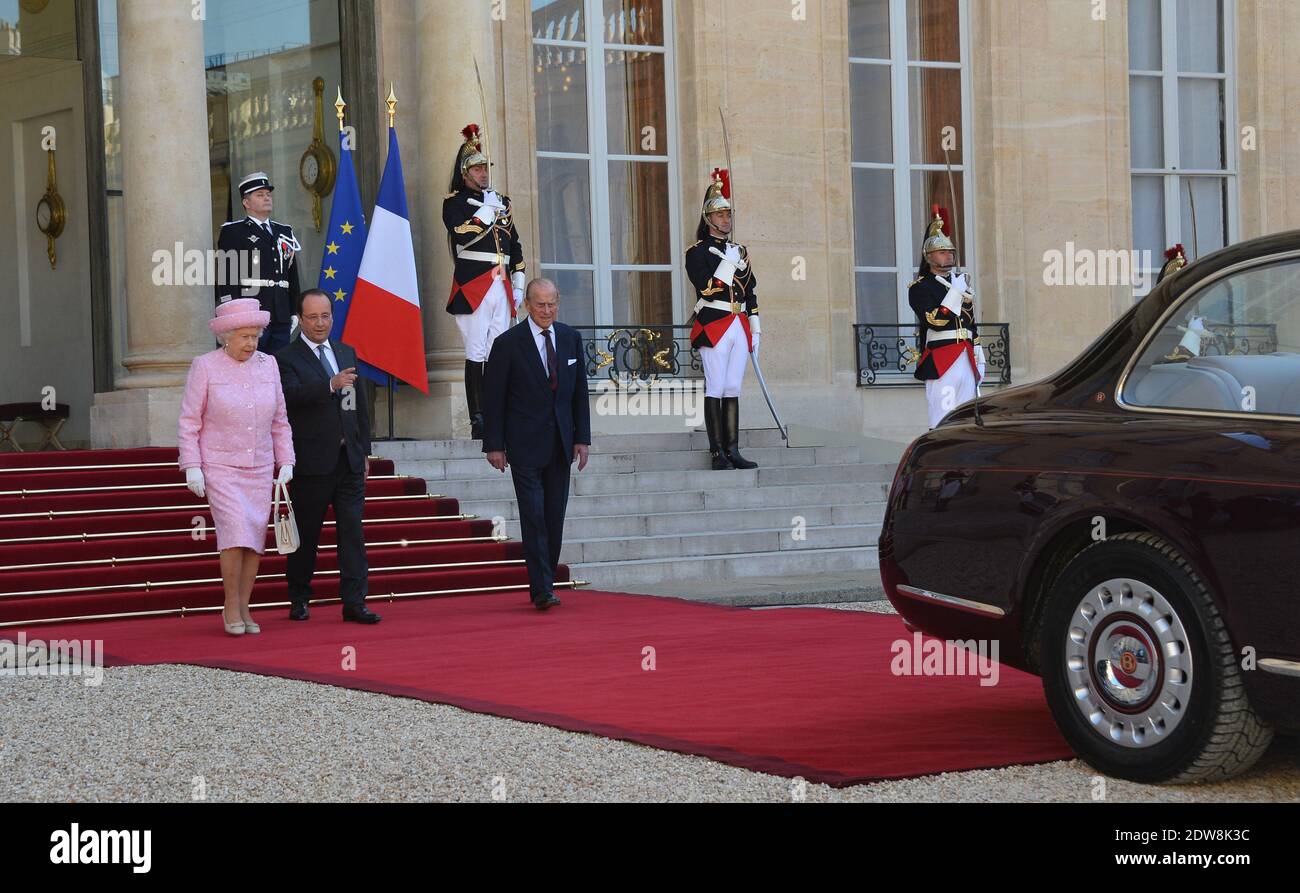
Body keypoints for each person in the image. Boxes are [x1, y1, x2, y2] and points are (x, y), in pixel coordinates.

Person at [178, 298, 295, 636]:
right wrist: (192, 466)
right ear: (225, 336)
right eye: (244, 336)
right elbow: (189, 421)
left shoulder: (268, 364)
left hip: (259, 464)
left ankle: (245, 604)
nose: (251, 343)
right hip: (220, 464)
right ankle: (230, 605)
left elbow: (280, 420)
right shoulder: (205, 366)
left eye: (255, 336)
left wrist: (286, 460)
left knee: (255, 536)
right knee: (234, 532)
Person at [481, 278, 590, 611]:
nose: (547, 311)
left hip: (561, 444)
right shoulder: (508, 343)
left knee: (554, 516)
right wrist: (494, 445)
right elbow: (493, 399)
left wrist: (582, 438)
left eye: (552, 303)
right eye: (540, 304)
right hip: (524, 445)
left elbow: (579, 395)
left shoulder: (571, 339)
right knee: (534, 516)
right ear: (527, 305)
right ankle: (541, 588)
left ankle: (547, 580)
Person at [274, 289, 380, 624]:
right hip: (311, 461)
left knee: (352, 533)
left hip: (347, 458)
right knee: (307, 534)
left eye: (326, 316)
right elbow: (289, 398)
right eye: (313, 317)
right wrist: (329, 384)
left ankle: (354, 601)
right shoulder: (285, 358)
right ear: (300, 320)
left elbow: (357, 406)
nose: (320, 323)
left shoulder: (345, 351)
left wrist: (363, 449)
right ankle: (300, 597)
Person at [443, 123, 527, 440]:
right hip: (473, 284)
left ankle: (497, 413)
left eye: (485, 167)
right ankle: (478, 418)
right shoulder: (454, 203)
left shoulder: (501, 200)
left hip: (501, 282)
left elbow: (513, 244)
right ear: (465, 172)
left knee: (498, 351)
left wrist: (519, 281)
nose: (483, 173)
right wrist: (485, 215)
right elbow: (460, 233)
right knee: (476, 350)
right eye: (477, 168)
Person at [685, 168, 761, 470]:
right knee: (715, 386)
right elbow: (706, 286)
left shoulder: (739, 250)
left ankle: (733, 449)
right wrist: (727, 264)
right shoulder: (698, 252)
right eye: (720, 215)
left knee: (733, 387)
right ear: (708, 219)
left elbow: (750, 289)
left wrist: (755, 323)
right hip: (713, 322)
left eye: (728, 214)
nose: (726, 220)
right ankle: (716, 452)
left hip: (738, 323)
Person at [908, 206, 984, 429]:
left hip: (966, 355)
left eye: (950, 252)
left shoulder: (959, 284)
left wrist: (978, 352)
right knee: (944, 414)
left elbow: (970, 324)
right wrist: (955, 294)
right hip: (942, 357)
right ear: (929, 257)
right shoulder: (920, 288)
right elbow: (935, 320)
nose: (948, 255)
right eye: (942, 252)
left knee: (967, 416)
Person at [217, 171, 301, 354]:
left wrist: (294, 309)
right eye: (260, 195)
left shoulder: (284, 231)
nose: (267, 198)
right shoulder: (234, 232)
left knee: (280, 366)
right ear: (246, 202)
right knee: (252, 362)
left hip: (281, 312)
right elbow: (227, 275)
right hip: (250, 310)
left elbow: (292, 274)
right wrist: (233, 311)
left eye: (268, 194)